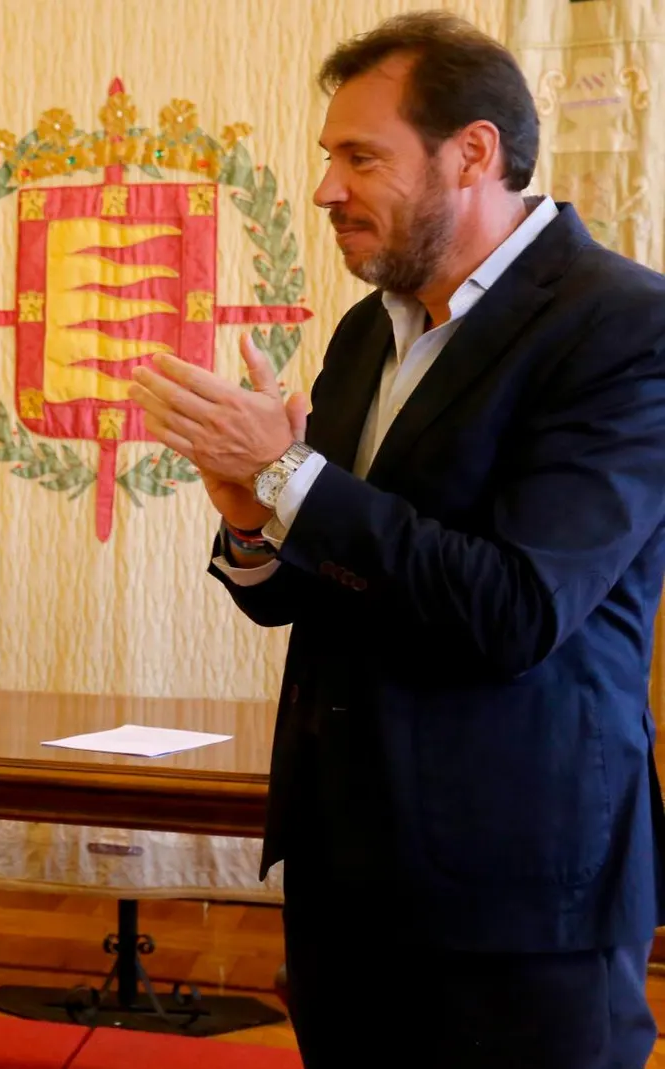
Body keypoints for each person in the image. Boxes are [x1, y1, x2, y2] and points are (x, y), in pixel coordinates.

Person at [130, 12, 665, 1067]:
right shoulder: (365, 331)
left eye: (358, 156)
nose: (325, 189)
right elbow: (320, 585)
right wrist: (249, 511)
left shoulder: (621, 325)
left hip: (516, 894)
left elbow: (516, 608)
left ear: (472, 153)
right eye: (327, 157)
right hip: (346, 870)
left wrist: (290, 476)